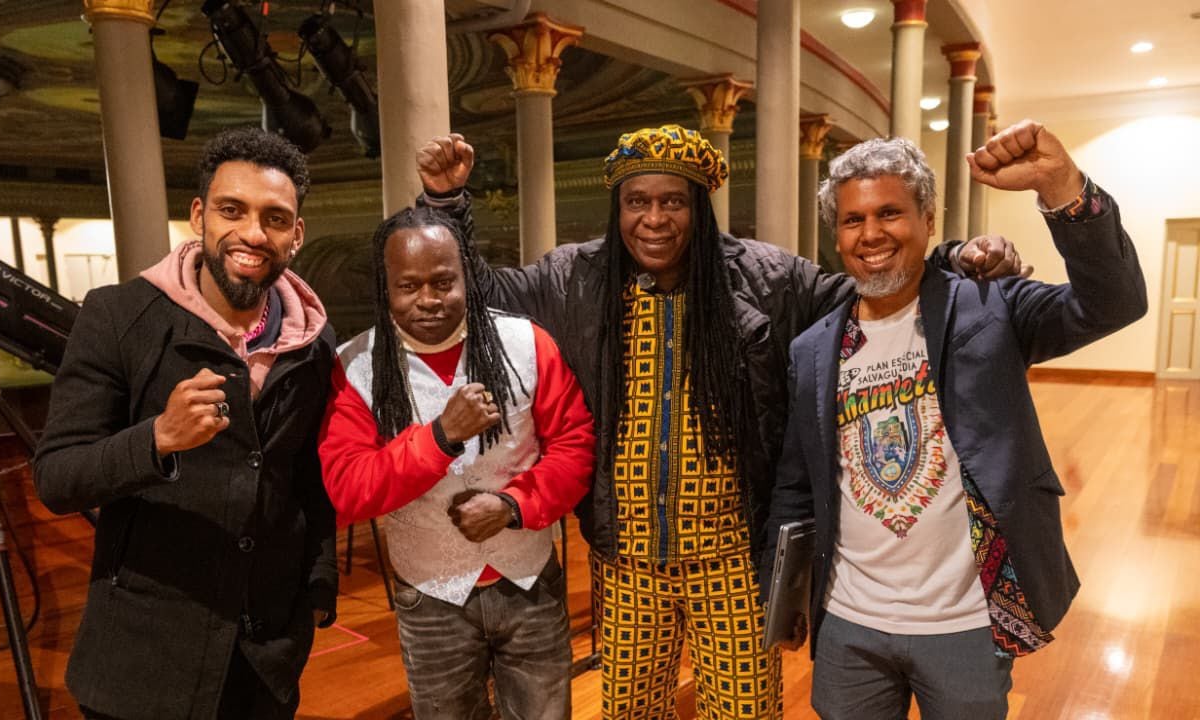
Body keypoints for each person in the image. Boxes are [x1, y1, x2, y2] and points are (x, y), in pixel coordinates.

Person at [415, 125, 1025, 720]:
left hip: (734, 559)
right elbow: (480, 295)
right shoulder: (574, 278)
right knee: (629, 709)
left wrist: (951, 256)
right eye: (636, 202)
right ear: (618, 207)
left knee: (743, 710)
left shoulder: (767, 277)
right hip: (624, 560)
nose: (654, 219)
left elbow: (870, 283)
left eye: (672, 201)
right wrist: (445, 205)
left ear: (699, 207)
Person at [763, 120, 1147, 719]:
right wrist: (784, 596)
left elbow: (1113, 302)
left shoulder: (989, 306)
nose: (871, 234)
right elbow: (797, 483)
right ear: (836, 234)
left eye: (889, 213)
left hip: (966, 620)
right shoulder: (812, 348)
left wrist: (1063, 188)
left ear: (929, 220)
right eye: (853, 220)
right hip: (848, 622)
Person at [33, 127, 339, 720]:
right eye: (232, 210)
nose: (253, 233)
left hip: (264, 659)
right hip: (145, 664)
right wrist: (157, 439)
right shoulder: (118, 316)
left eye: (275, 218)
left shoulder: (314, 340)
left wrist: (319, 582)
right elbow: (57, 477)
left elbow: (308, 470)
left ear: (296, 235)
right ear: (199, 215)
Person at [317, 206, 595, 719]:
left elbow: (575, 447)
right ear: (386, 289)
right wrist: (441, 437)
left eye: (444, 281)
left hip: (531, 582)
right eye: (408, 286)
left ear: (467, 276)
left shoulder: (526, 344)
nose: (428, 300)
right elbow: (349, 489)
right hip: (429, 598)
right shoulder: (356, 367)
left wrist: (513, 505)